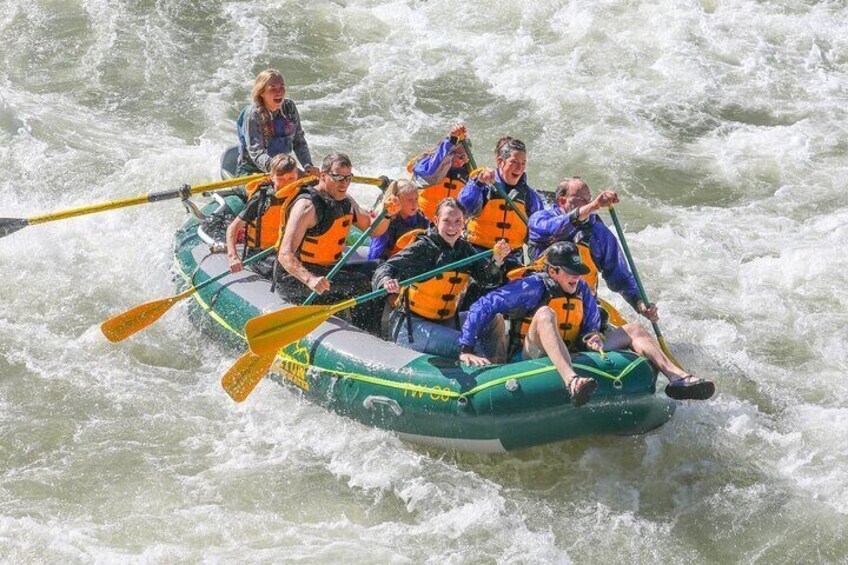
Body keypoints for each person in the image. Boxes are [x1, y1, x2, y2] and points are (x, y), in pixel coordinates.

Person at [458, 242, 715, 405]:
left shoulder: (581, 289)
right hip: (529, 356)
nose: (577, 276)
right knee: (546, 313)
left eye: (578, 271)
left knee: (634, 329)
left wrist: (592, 336)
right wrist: (466, 346)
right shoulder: (532, 286)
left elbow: (591, 325)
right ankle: (571, 381)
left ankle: (677, 377)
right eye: (570, 271)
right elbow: (485, 304)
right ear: (553, 271)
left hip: (573, 350)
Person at [372, 198, 511, 360]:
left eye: (458, 221)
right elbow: (385, 268)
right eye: (447, 221)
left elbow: (488, 280)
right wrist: (386, 280)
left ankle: (497, 369)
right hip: (413, 327)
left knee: (494, 319)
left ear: (464, 223)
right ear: (436, 221)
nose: (452, 227)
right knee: (469, 344)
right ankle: (479, 365)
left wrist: (497, 260)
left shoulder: (465, 250)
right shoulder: (422, 248)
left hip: (445, 322)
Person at [277, 152, 399, 333]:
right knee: (359, 284)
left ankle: (382, 327)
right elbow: (284, 254)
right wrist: (310, 280)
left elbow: (374, 230)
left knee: (379, 268)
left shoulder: (347, 201)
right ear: (324, 176)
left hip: (328, 270)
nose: (344, 183)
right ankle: (366, 334)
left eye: (348, 178)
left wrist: (388, 213)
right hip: (296, 280)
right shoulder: (306, 206)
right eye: (339, 177)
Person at [529, 177, 651, 321]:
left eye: (590, 199)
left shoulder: (599, 232)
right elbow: (557, 229)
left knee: (636, 332)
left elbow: (621, 277)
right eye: (582, 199)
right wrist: (593, 206)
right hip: (542, 304)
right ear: (562, 201)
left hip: (582, 306)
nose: (588, 204)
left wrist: (639, 303)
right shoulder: (540, 219)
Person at [458, 136, 546, 270]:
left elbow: (537, 236)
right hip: (477, 254)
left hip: (512, 259)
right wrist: (478, 183)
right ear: (500, 161)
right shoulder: (483, 185)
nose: (519, 168)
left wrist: (537, 263)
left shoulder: (530, 196)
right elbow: (463, 208)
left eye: (523, 163)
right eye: (514, 162)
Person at [236, 68, 320, 177]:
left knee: (315, 188)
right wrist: (282, 170)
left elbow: (298, 141)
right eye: (273, 89)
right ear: (261, 92)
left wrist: (308, 166)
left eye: (282, 87)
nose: (279, 92)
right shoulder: (253, 114)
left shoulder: (289, 107)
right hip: (252, 171)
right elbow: (257, 154)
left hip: (283, 170)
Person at [225, 154, 300, 275]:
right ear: (272, 177)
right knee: (286, 269)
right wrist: (233, 256)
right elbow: (233, 228)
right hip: (260, 255)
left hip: (287, 253)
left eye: (291, 178)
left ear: (297, 174)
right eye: (281, 179)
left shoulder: (301, 196)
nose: (286, 184)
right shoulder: (262, 199)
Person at [409, 124, 472, 221]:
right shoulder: (425, 163)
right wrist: (452, 140)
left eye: (466, 157)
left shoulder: (467, 172)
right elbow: (431, 170)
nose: (463, 161)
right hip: (421, 220)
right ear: (450, 153)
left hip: (448, 225)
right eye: (461, 156)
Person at [367, 179, 430, 262]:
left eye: (416, 199)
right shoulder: (386, 223)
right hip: (390, 263)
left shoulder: (422, 219)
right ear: (397, 200)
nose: (414, 204)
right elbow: (377, 256)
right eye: (410, 200)